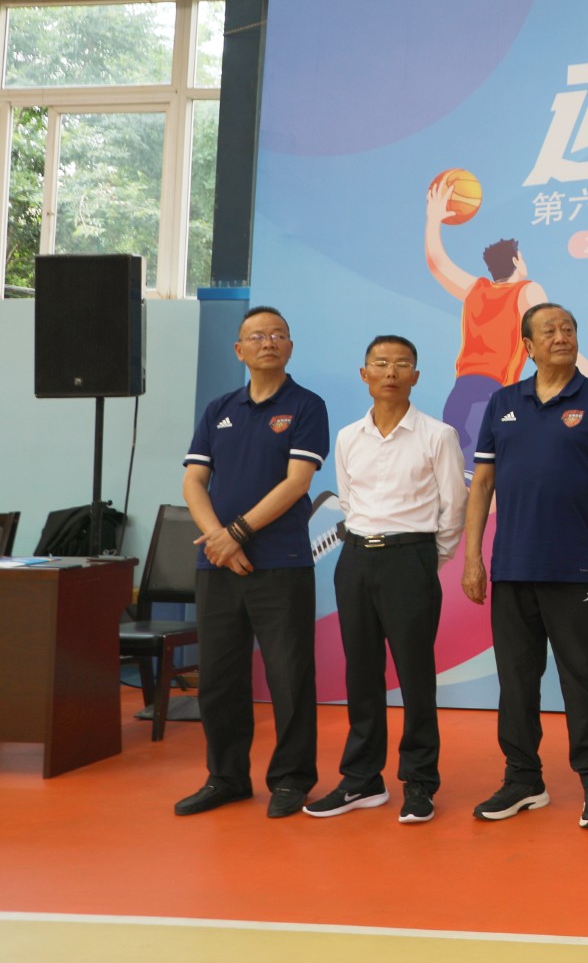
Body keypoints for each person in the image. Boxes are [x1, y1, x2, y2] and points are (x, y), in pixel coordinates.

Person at [461, 302, 588, 830]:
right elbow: (482, 484)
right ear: (528, 346)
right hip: (512, 567)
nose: (562, 337)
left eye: (569, 329)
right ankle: (523, 779)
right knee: (516, 680)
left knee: (583, 677)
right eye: (549, 331)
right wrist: (473, 557)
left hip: (577, 568)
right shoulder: (503, 402)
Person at [174, 306, 329, 819]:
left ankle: (292, 779)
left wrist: (236, 534)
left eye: (278, 335)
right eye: (257, 336)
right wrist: (218, 539)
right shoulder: (219, 408)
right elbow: (194, 481)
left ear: (290, 347)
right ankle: (226, 777)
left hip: (281, 563)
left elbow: (297, 482)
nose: (269, 342)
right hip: (218, 565)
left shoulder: (306, 406)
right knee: (219, 677)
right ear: (239, 350)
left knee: (289, 677)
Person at [306, 335, 466, 824]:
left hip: (409, 559)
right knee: (361, 673)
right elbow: (348, 499)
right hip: (355, 559)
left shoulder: (438, 435)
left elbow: (453, 507)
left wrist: (425, 560)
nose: (390, 372)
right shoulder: (348, 437)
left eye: (401, 364)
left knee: (416, 677)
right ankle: (362, 781)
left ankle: (420, 783)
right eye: (380, 363)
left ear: (416, 376)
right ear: (365, 374)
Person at [425, 178, 588, 466]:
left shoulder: (476, 290)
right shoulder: (526, 290)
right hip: (491, 394)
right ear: (516, 261)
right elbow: (557, 342)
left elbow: (437, 262)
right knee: (486, 479)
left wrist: (433, 220)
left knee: (464, 476)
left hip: (460, 394)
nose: (559, 334)